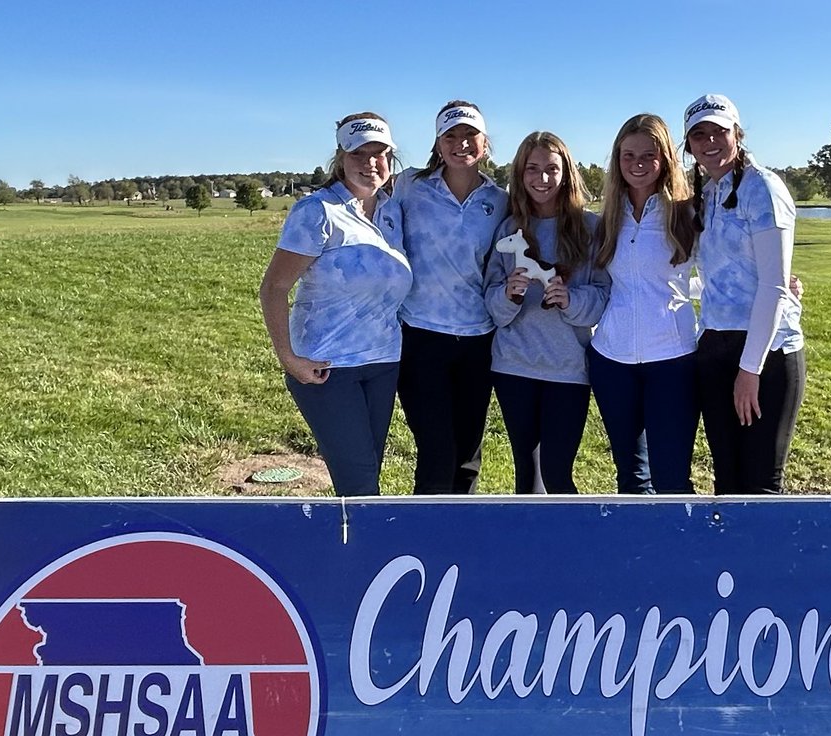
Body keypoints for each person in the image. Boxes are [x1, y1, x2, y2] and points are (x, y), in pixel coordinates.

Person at [258, 113, 411, 495]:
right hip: (327, 367)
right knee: (359, 482)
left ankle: (359, 531)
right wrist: (288, 357)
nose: (370, 162)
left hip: (383, 362)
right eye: (359, 153)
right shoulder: (318, 211)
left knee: (367, 470)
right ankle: (362, 535)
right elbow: (274, 287)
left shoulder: (392, 211)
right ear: (341, 157)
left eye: (379, 153)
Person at [684, 93, 805, 494]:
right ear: (689, 145)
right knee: (727, 480)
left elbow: (773, 286)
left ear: (737, 133)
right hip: (714, 347)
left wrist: (750, 370)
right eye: (699, 134)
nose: (709, 142)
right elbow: (718, 280)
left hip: (767, 352)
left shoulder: (763, 188)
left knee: (760, 482)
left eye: (718, 131)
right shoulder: (707, 194)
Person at [392, 101, 509, 494]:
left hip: (479, 340)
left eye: (470, 135)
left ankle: (463, 522)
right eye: (451, 136)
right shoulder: (409, 186)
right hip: (421, 336)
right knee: (436, 449)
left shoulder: (500, 200)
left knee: (468, 452)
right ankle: (428, 526)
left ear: (485, 143)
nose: (461, 144)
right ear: (438, 144)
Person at [483, 131, 610, 493]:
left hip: (568, 369)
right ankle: (529, 531)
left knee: (556, 473)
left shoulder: (590, 228)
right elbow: (492, 303)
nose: (542, 178)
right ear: (520, 174)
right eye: (532, 169)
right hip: (513, 367)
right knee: (527, 473)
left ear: (566, 172)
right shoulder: (510, 230)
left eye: (552, 169)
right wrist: (509, 295)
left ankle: (570, 530)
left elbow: (602, 295)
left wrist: (570, 300)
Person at [588, 114, 699, 494]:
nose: (638, 164)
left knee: (672, 477)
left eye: (649, 155)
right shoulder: (607, 219)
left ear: (665, 158)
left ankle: (679, 533)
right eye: (628, 155)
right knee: (631, 477)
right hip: (612, 360)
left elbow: (721, 272)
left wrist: (781, 282)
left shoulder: (687, 214)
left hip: (673, 360)